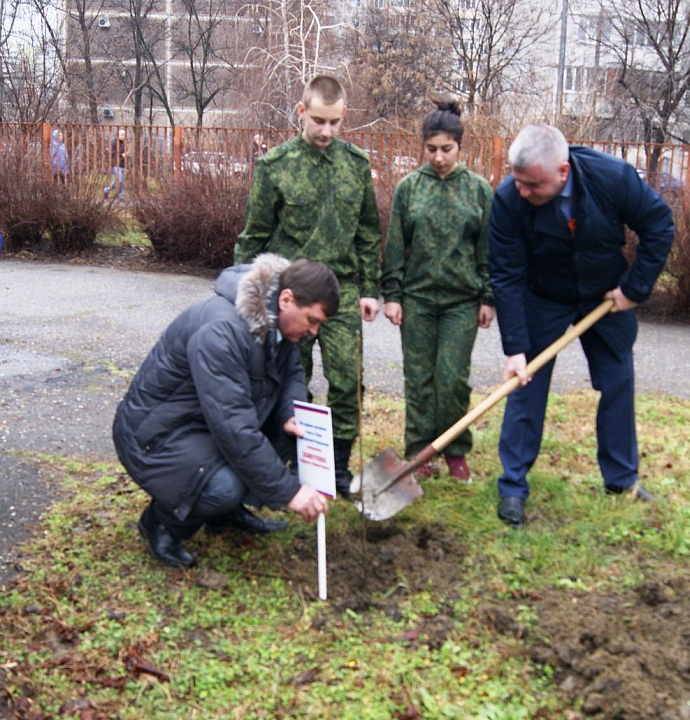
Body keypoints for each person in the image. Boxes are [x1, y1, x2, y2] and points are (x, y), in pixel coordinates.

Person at [488, 124, 674, 527]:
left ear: (563, 172)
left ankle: (621, 480)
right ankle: (513, 488)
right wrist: (516, 348)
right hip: (543, 295)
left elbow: (658, 224)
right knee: (526, 384)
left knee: (618, 380)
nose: (522, 191)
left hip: (603, 294)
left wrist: (634, 289)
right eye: (517, 181)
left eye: (533, 185)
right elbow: (506, 274)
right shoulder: (507, 199)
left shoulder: (612, 178)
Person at [113, 255, 337, 568]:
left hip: (203, 422)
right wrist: (290, 491)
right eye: (312, 320)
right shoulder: (222, 331)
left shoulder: (279, 322)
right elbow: (234, 428)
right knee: (224, 488)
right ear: (287, 299)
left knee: (286, 433)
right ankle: (161, 523)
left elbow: (292, 374)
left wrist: (290, 413)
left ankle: (225, 515)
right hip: (155, 434)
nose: (313, 331)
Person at [234, 75, 381, 497]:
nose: (327, 131)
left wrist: (369, 288)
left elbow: (369, 232)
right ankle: (284, 465)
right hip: (292, 297)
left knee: (348, 383)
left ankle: (334, 468)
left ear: (343, 117)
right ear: (302, 112)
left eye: (335, 122)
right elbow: (254, 236)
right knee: (284, 385)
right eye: (318, 121)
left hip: (343, 295)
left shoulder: (355, 166)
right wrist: (241, 298)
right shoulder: (275, 168)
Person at [381, 100, 494, 482]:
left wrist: (488, 298)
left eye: (447, 149)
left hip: (462, 303)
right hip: (418, 301)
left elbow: (487, 250)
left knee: (451, 379)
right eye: (432, 149)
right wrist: (393, 295)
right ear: (422, 147)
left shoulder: (478, 191)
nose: (439, 157)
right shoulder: (409, 189)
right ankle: (419, 452)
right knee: (418, 378)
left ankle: (455, 450)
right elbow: (395, 245)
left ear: (460, 147)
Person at [103, 127, 128, 199]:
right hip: (116, 165)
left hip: (123, 164)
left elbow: (125, 152)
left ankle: (121, 195)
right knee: (119, 180)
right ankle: (107, 190)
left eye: (124, 135)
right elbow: (112, 153)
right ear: (118, 135)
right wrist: (121, 155)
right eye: (122, 135)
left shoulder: (124, 143)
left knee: (122, 182)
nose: (123, 136)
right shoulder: (114, 143)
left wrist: (126, 155)